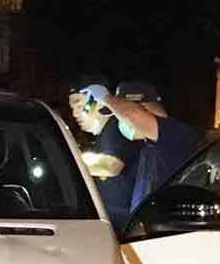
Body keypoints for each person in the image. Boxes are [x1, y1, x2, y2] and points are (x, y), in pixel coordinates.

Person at [79, 80, 197, 213]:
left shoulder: (175, 133)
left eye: (122, 118)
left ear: (143, 109)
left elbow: (132, 115)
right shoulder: (148, 146)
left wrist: (106, 98)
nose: (121, 123)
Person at [68, 78, 145, 232]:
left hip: (123, 223)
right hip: (117, 220)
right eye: (72, 108)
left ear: (99, 102)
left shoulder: (116, 127)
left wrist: (66, 161)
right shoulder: (106, 132)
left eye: (79, 105)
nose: (74, 114)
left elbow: (111, 166)